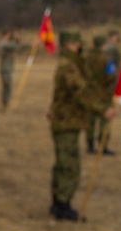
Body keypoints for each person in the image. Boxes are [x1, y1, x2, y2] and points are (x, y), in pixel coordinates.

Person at [48, 30, 115, 221]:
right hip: (66, 122)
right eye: (76, 43)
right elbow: (80, 91)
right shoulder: (69, 66)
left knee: (63, 164)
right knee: (69, 166)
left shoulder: (72, 63)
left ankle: (58, 203)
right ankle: (62, 205)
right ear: (70, 43)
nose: (79, 46)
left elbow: (62, 94)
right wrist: (103, 109)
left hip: (67, 119)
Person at [84, 35, 116, 155]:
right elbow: (111, 76)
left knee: (90, 120)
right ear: (103, 44)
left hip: (89, 93)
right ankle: (103, 145)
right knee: (104, 120)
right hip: (104, 93)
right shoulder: (106, 59)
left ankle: (90, 145)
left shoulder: (86, 58)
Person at [0, 30, 21, 111]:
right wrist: (16, 40)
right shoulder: (3, 44)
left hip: (8, 69)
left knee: (8, 87)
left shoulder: (8, 44)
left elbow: (17, 47)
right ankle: (4, 104)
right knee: (7, 87)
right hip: (5, 69)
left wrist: (17, 40)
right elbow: (13, 46)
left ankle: (5, 104)